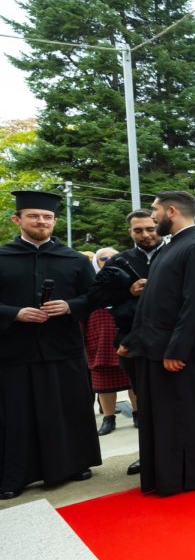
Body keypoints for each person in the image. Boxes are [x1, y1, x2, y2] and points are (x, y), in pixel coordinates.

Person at [119, 190, 195, 496]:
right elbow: (153, 302)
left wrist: (178, 349)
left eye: (155, 211)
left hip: (179, 354)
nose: (153, 217)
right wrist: (132, 340)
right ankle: (166, 474)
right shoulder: (171, 246)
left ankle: (192, 475)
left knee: (184, 417)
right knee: (165, 418)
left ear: (172, 211)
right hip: (156, 348)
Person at [0, 190, 100, 500]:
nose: (41, 221)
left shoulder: (74, 259)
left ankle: (74, 464)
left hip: (62, 348)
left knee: (67, 408)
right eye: (34, 216)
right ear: (17, 220)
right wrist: (14, 313)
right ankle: (15, 475)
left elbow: (95, 297)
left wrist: (70, 306)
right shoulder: (2, 257)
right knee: (16, 415)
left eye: (47, 217)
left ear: (55, 221)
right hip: (14, 350)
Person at [88, 209, 162, 475]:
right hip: (132, 339)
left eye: (150, 229)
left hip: (171, 339)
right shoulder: (119, 260)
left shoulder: (175, 254)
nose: (146, 235)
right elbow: (96, 298)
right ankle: (149, 454)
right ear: (130, 232)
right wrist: (128, 291)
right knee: (144, 399)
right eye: (138, 230)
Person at [86, 247, 133, 435]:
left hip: (125, 331)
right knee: (103, 378)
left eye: (114, 257)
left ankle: (138, 413)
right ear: (96, 262)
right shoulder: (90, 281)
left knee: (132, 375)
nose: (109, 261)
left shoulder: (131, 278)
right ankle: (108, 418)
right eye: (104, 258)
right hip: (99, 333)